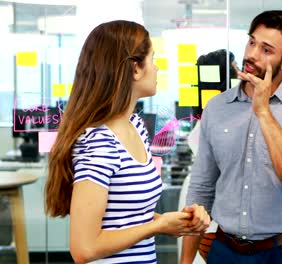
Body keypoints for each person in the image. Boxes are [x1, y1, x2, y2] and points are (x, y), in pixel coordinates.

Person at [44, 20, 210, 264]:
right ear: (135, 69)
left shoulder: (136, 126)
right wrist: (157, 226)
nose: (157, 69)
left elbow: (128, 218)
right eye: (152, 60)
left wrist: (171, 221)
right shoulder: (101, 142)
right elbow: (84, 249)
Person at [182, 10, 282, 263]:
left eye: (266, 49)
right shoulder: (217, 108)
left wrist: (263, 112)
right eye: (252, 42)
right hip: (224, 250)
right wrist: (185, 261)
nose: (251, 54)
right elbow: (201, 188)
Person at [183, 49, 239, 263]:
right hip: (214, 225)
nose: (241, 73)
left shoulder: (208, 121)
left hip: (211, 221)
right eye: (235, 69)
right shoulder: (215, 123)